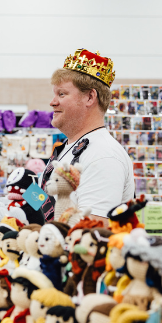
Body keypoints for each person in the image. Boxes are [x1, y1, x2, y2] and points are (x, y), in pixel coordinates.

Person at [40, 48, 134, 224]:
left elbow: (92, 234)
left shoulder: (103, 155)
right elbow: (48, 205)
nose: (52, 102)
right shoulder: (72, 147)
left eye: (62, 93)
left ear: (90, 97)